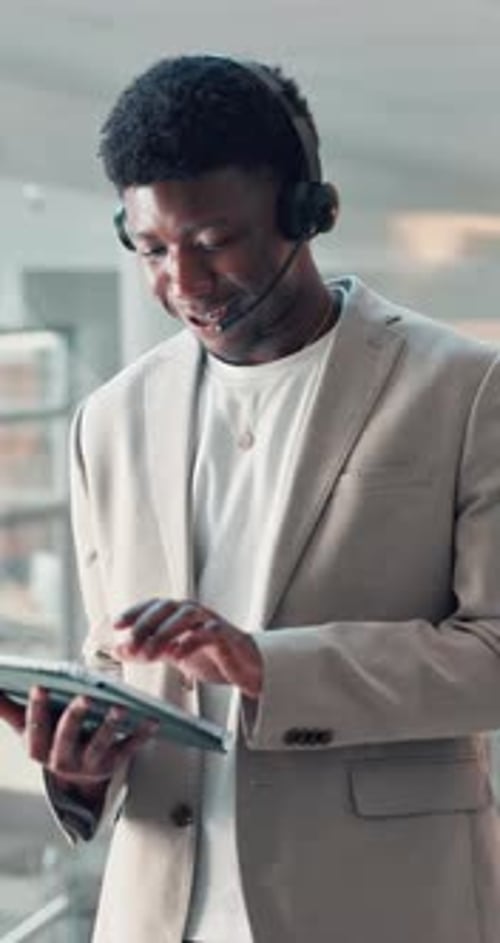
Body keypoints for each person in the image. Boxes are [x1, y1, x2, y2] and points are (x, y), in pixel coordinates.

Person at [1, 53, 500, 943]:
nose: (182, 284)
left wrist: (269, 665)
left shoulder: (466, 388)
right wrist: (80, 769)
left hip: (379, 907)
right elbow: (116, 665)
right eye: (152, 249)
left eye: (212, 242)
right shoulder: (107, 421)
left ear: (306, 212)